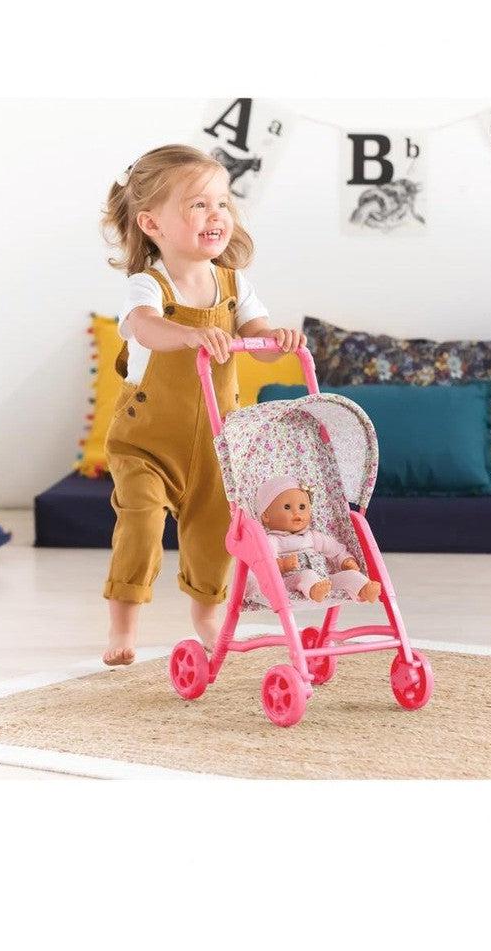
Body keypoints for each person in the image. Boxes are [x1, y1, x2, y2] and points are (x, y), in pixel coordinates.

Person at [99, 144, 306, 666]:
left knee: (214, 533)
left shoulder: (235, 286)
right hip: (145, 440)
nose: (216, 215)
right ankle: (122, 628)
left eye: (222, 203)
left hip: (218, 441)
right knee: (142, 523)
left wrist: (273, 337)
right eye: (197, 205)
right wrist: (187, 335)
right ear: (152, 223)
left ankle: (207, 617)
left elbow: (255, 336)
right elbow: (143, 325)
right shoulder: (148, 285)